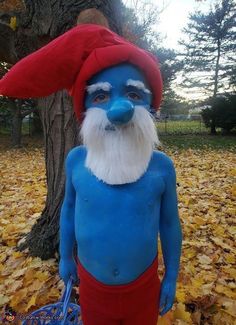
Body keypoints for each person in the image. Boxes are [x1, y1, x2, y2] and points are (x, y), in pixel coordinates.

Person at [0, 24, 182, 325]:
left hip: (143, 287)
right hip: (92, 288)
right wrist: (67, 257)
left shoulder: (161, 167)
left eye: (134, 93)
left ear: (150, 105)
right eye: (100, 97)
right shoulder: (76, 162)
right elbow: (69, 210)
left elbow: (169, 223)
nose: (119, 110)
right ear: (84, 109)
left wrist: (172, 276)